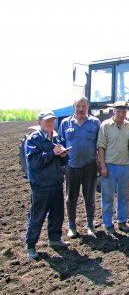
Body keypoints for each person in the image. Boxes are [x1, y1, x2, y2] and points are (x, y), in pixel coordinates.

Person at [25, 111, 69, 259]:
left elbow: (60, 161)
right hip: (41, 185)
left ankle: (55, 239)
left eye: (52, 121)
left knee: (57, 214)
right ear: (39, 122)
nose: (50, 124)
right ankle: (31, 245)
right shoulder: (33, 139)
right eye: (47, 121)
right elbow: (35, 162)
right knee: (37, 216)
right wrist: (52, 152)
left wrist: (63, 156)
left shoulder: (56, 137)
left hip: (56, 182)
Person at [58, 96, 101, 238]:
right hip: (72, 166)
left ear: (88, 107)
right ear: (74, 106)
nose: (81, 109)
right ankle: (72, 226)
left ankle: (90, 225)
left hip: (90, 166)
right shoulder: (65, 123)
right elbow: (60, 142)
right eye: (78, 106)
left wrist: (100, 164)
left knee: (89, 197)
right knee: (71, 197)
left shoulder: (95, 123)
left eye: (84, 106)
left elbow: (100, 145)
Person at [97, 101, 129, 234]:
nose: (121, 114)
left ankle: (122, 221)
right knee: (108, 196)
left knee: (124, 196)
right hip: (110, 166)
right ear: (114, 111)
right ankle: (107, 223)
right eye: (119, 111)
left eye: (124, 112)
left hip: (125, 166)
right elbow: (101, 146)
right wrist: (103, 167)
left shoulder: (128, 125)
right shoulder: (105, 125)